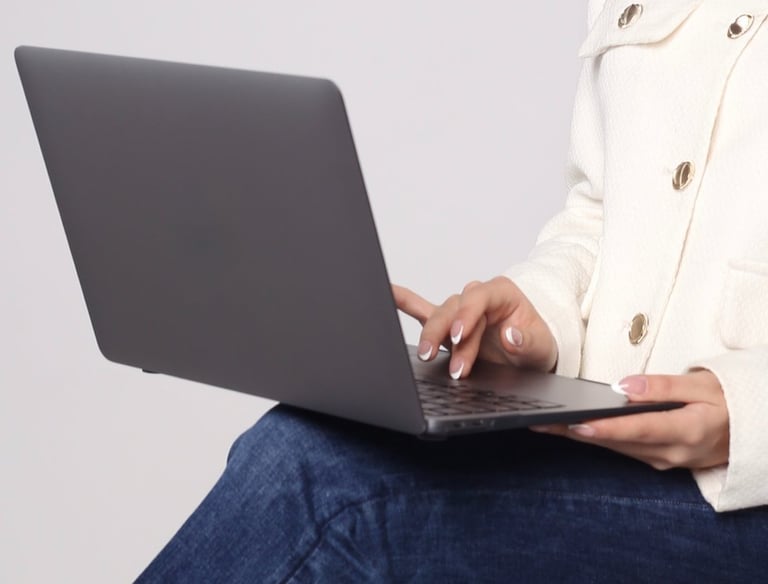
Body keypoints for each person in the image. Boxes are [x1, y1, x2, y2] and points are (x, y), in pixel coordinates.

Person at [136, 0, 768, 581]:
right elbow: (600, 210)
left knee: (335, 492)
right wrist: (538, 311)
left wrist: (745, 414)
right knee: (299, 442)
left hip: (739, 497)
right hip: (605, 439)